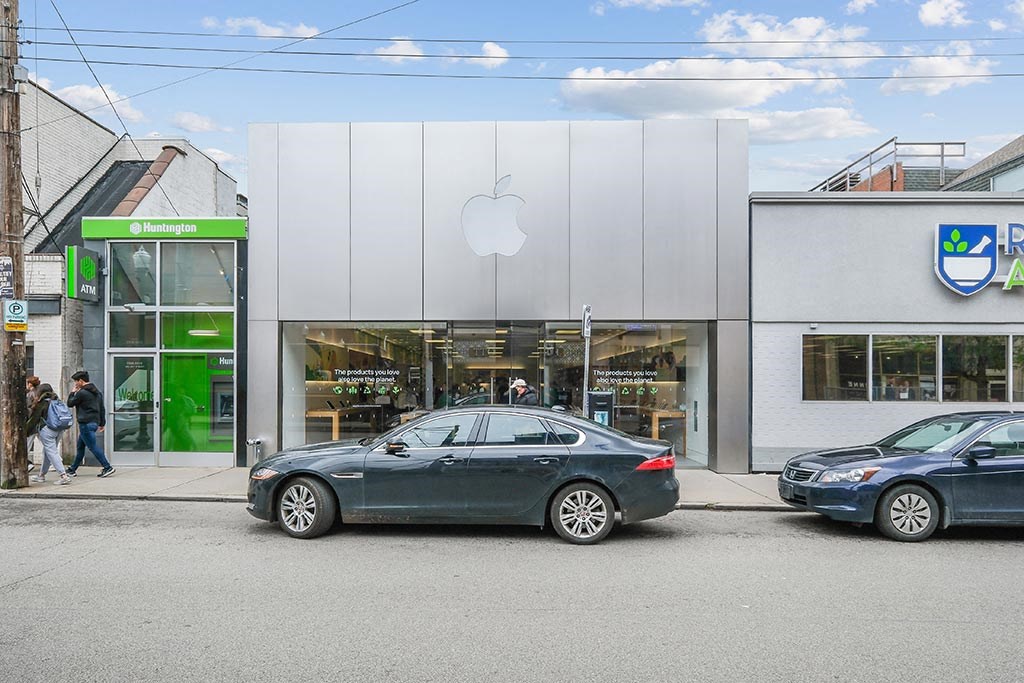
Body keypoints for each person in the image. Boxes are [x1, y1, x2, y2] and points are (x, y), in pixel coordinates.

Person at [66, 371, 115, 478]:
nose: (75, 384)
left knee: (92, 447)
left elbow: (70, 403)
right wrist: (102, 423)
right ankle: (72, 469)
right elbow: (102, 408)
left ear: (81, 381)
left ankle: (107, 467)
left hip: (85, 424)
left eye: (76, 381)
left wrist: (72, 393)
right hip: (94, 422)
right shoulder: (97, 392)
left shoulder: (82, 393)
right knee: (80, 447)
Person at [26, 383, 71, 485]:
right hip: (59, 429)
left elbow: (34, 419)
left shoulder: (42, 403)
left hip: (47, 430)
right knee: (47, 452)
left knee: (52, 452)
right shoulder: (57, 400)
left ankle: (63, 475)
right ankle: (41, 475)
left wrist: (26, 431)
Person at [25, 375, 40, 472]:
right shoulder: (38, 393)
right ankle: (54, 462)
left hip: (31, 423)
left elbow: (28, 410)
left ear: (30, 384)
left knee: (26, 446)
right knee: (47, 445)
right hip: (39, 422)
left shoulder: (29, 395)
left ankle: (27, 464)